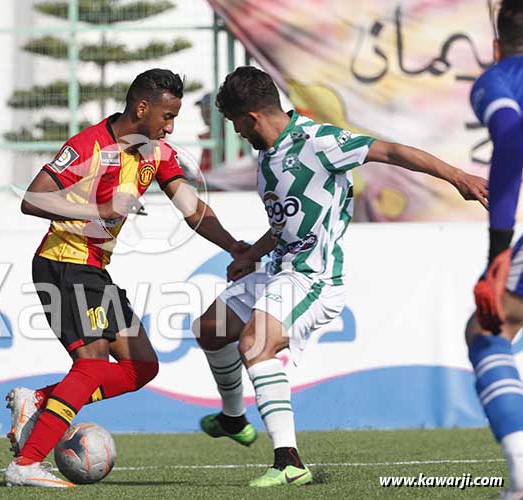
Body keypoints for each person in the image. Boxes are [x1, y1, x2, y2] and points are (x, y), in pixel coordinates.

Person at [192, 65, 488, 488]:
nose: (237, 132)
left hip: (313, 278)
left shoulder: (319, 141)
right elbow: (286, 224)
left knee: (254, 344)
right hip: (278, 269)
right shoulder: (269, 154)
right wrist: (251, 255)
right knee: (209, 327)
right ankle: (235, 417)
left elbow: (392, 152)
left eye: (236, 123)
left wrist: (459, 177)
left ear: (252, 117)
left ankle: (288, 461)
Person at [3, 68, 249, 487]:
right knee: (92, 365)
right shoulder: (88, 145)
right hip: (64, 262)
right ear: (142, 108)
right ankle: (26, 465)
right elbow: (32, 197)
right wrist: (99, 212)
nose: (170, 128)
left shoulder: (157, 153)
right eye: (167, 117)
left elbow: (192, 208)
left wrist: (234, 246)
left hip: (94, 269)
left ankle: (40, 400)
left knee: (141, 367)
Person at [467, 1, 523, 498]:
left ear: (496, 44)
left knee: (489, 326)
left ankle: (522, 474)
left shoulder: (497, 80)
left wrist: (498, 252)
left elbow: (510, 133)